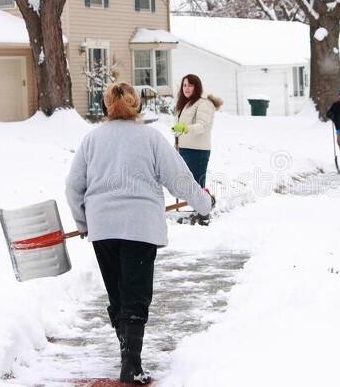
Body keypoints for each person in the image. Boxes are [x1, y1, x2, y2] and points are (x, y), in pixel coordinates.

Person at [65, 82, 214, 385]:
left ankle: (128, 356)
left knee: (118, 293)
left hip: (103, 227)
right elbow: (180, 179)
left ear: (107, 105)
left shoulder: (92, 139)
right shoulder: (150, 137)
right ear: (137, 104)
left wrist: (83, 223)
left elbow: (73, 186)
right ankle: (131, 363)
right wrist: (204, 204)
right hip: (140, 227)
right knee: (136, 295)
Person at [171, 74, 223, 224]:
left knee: (196, 183)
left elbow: (202, 126)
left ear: (197, 87)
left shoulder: (204, 104)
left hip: (198, 150)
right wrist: (177, 138)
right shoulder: (185, 104)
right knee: (187, 182)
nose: (186, 88)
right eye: (184, 85)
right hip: (184, 149)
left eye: (190, 85)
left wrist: (184, 128)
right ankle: (204, 205)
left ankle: (204, 210)